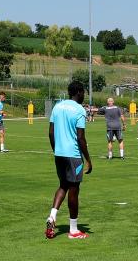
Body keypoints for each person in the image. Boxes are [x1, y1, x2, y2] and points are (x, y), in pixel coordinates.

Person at [46, 79, 93, 240]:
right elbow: (80, 137)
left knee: (63, 185)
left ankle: (52, 216)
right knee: (74, 189)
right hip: (73, 156)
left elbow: (51, 133)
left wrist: (56, 150)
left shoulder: (57, 106)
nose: (84, 96)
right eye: (84, 93)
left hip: (59, 154)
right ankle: (73, 230)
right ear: (79, 92)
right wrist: (88, 159)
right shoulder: (79, 110)